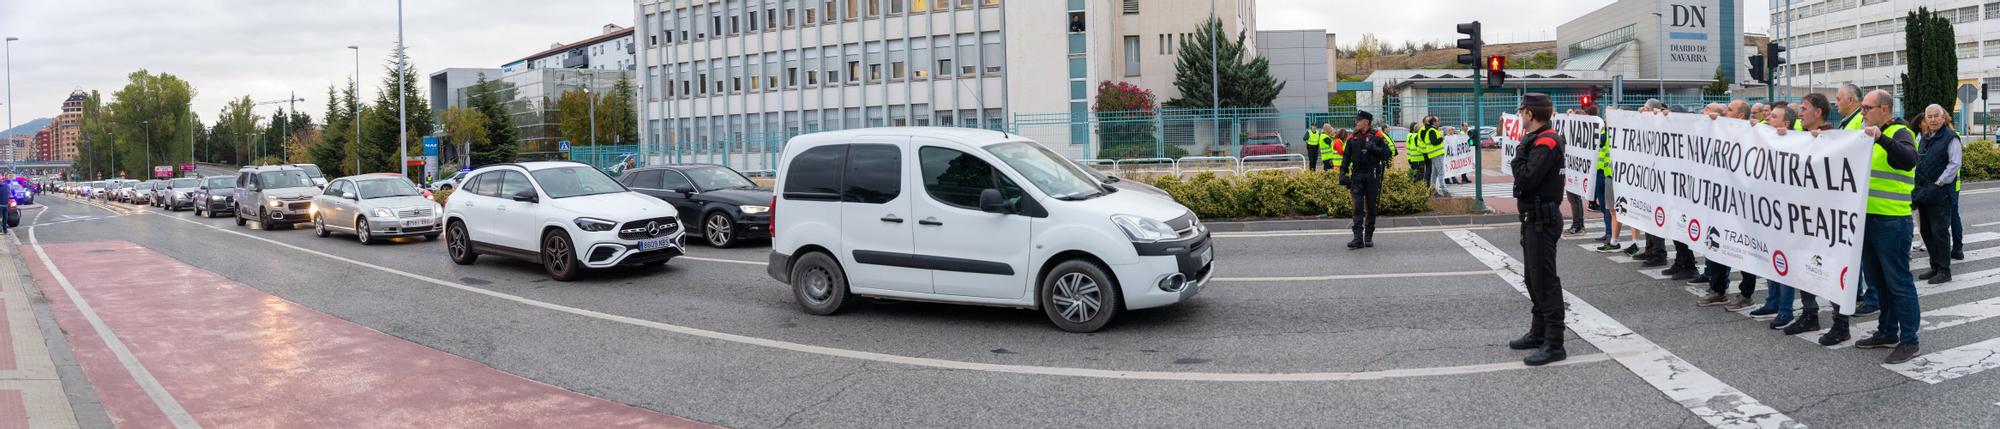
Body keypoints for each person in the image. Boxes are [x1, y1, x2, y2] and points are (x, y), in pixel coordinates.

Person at [1845, 89, 1923, 364]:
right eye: (1863, 108)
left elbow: (1909, 159)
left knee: (1899, 283)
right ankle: (1887, 332)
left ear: (1885, 110)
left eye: (1868, 108)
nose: (1863, 112)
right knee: (1879, 282)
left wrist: (1882, 139)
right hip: (1867, 219)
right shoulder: (1865, 133)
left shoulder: (1900, 132)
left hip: (1892, 221)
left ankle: (1909, 340)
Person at [1507, 93, 1569, 366]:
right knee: (1533, 279)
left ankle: (1555, 343)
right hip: (1534, 217)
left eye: (1522, 112)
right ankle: (1539, 331)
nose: (1520, 117)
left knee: (1545, 281)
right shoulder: (1540, 139)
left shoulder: (1545, 141)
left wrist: (1519, 154)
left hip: (1542, 218)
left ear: (1530, 114)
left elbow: (1527, 178)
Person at [1777, 93, 1839, 336]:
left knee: (1832, 272)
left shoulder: (1836, 140)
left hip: (1826, 222)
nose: (1799, 113)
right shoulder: (1799, 139)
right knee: (1804, 269)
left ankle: (1840, 323)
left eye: (1804, 109)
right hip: (1801, 218)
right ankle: (1809, 315)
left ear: (1818, 112)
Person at [1914, 104, 1961, 285]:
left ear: (1943, 118)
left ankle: (1944, 270)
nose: (1933, 120)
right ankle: (1934, 265)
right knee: (1926, 231)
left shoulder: (1951, 138)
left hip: (1940, 192)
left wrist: (1939, 182)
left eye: (1936, 116)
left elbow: (1954, 164)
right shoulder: (1925, 138)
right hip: (1924, 192)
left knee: (1940, 232)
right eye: (1929, 117)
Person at [1342, 111, 1392, 250]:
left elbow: (1388, 154)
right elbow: (1346, 158)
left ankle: (1368, 236)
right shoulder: (1353, 137)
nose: (1356, 122)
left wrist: (1374, 148)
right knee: (1357, 207)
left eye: (1358, 120)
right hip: (1357, 175)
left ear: (1366, 122)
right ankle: (1358, 238)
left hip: (1372, 175)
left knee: (1371, 207)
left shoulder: (1377, 136)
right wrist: (1342, 173)